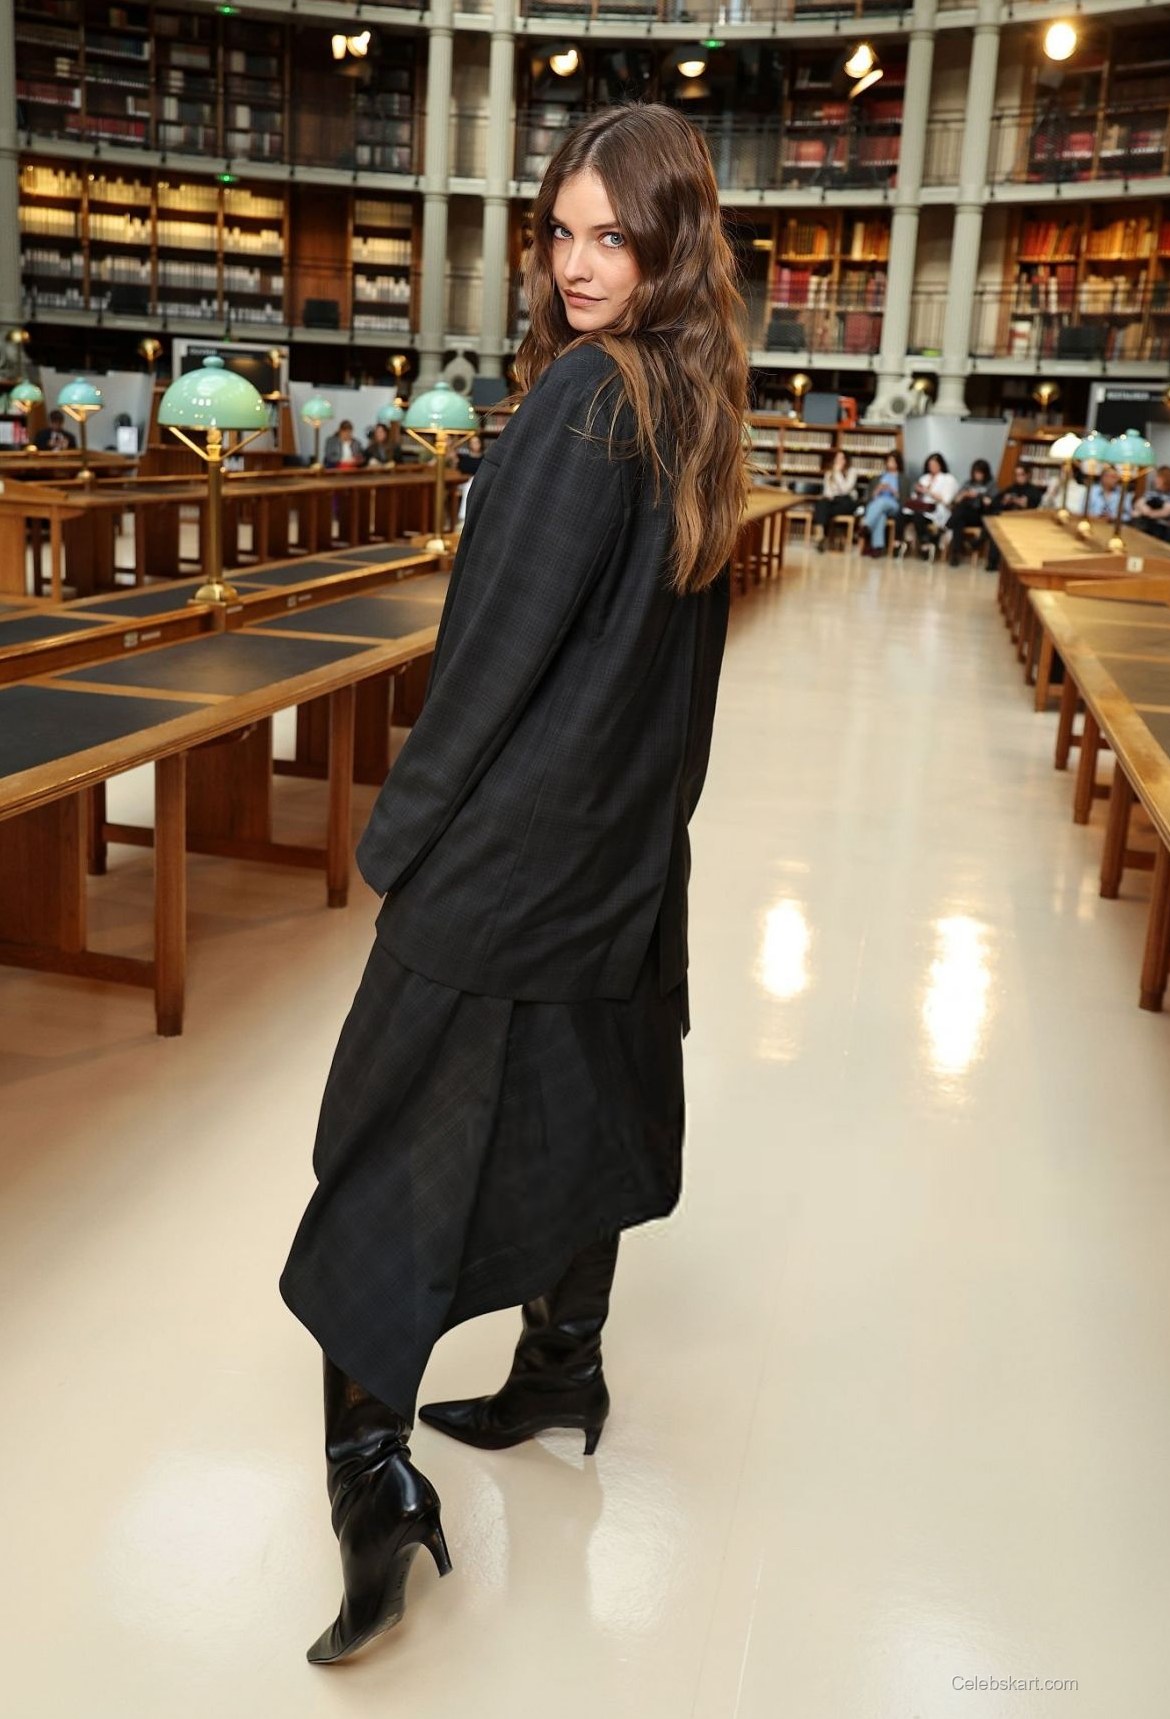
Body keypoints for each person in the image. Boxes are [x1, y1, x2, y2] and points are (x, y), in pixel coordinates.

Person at [280, 102, 748, 1667]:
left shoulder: (582, 404)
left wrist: (397, 839)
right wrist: (648, 850)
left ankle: (370, 1487)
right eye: (560, 232)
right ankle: (561, 1361)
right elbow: (682, 692)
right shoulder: (695, 404)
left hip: (505, 868)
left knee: (377, 1155)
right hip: (616, 863)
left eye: (614, 235)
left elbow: (485, 662)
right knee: (580, 1109)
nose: (577, 265)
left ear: (671, 243)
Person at [896, 451, 958, 557]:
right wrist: (918, 492)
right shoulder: (924, 478)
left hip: (936, 509)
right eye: (930, 465)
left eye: (934, 464)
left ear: (941, 465)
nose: (932, 467)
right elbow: (915, 497)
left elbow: (946, 500)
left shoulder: (948, 479)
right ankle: (898, 542)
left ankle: (925, 545)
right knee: (901, 514)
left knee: (918, 516)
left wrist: (928, 491)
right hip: (920, 506)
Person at [985, 462, 1043, 572]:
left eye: (1021, 474)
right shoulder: (1011, 488)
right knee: (995, 525)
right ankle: (992, 562)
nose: (1019, 477)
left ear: (1027, 475)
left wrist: (1019, 501)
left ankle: (979, 541)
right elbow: (996, 502)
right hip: (1006, 519)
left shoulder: (1034, 491)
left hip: (1024, 522)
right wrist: (1005, 500)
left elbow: (1033, 507)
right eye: (1016, 475)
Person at [943, 458, 997, 565]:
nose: (977, 475)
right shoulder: (968, 483)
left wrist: (980, 496)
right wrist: (965, 495)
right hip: (965, 514)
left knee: (961, 512)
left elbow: (993, 502)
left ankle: (947, 525)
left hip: (980, 514)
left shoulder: (991, 484)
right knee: (959, 521)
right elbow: (955, 500)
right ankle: (955, 555)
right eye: (976, 472)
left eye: (980, 473)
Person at [857, 450, 907, 557]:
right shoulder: (878, 478)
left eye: (893, 461)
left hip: (893, 504)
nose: (890, 463)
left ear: (898, 463)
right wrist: (878, 489)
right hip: (877, 506)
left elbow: (904, 498)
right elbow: (871, 497)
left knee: (882, 502)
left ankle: (866, 525)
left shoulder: (903, 479)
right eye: (889, 461)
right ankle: (877, 547)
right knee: (880, 514)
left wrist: (892, 490)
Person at [812, 448, 859, 553]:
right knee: (821, 503)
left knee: (824, 509)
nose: (838, 461)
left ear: (846, 460)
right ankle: (820, 535)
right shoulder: (829, 473)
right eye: (837, 458)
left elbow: (845, 490)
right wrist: (829, 496)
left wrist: (837, 473)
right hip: (832, 501)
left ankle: (822, 535)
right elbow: (827, 491)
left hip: (847, 501)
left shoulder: (852, 472)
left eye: (841, 458)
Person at [1132, 465, 1170, 543]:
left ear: (1166, 479)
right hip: (1146, 523)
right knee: (1135, 514)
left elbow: (1166, 511)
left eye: (1158, 477)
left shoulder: (1168, 495)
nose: (1155, 480)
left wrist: (1148, 513)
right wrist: (1145, 510)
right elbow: (1138, 503)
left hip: (1162, 528)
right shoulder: (1152, 492)